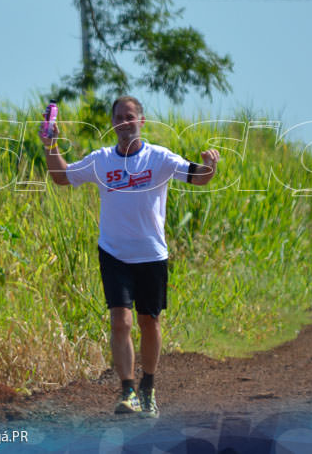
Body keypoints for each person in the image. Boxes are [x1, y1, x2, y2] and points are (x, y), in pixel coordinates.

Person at [40, 95, 220, 418]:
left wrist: (211, 166)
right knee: (120, 321)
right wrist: (51, 145)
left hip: (151, 255)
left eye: (130, 116)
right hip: (114, 253)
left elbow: (199, 177)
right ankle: (128, 391)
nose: (125, 123)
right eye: (119, 117)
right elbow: (61, 177)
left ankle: (148, 386)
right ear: (113, 124)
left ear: (142, 122)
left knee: (149, 322)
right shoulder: (101, 160)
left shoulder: (159, 159)